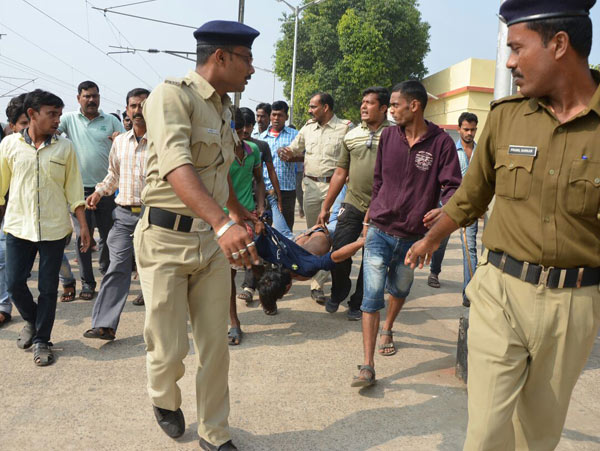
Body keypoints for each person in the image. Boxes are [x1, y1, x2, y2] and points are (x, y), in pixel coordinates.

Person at [406, 1, 600, 449]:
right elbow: (471, 195)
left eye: (516, 48)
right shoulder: (507, 116)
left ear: (559, 44)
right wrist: (429, 240)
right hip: (501, 291)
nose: (509, 61)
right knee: (486, 433)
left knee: (539, 435)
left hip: (573, 305)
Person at [134, 20, 261, 451]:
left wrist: (237, 213)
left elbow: (216, 174)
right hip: (164, 241)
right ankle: (164, 398)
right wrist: (225, 224)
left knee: (215, 347)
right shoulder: (171, 95)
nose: (252, 69)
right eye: (246, 59)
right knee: (168, 349)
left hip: (210, 244)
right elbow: (177, 169)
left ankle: (214, 432)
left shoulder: (223, 108)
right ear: (220, 57)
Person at [352, 80, 461, 387]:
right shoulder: (388, 136)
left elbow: (453, 186)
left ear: (414, 106)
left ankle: (388, 326)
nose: (392, 111)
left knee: (399, 289)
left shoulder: (441, 144)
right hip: (379, 231)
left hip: (414, 238)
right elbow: (377, 181)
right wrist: (371, 214)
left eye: (396, 105)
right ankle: (367, 365)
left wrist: (444, 207)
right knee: (371, 296)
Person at [0, 89, 91, 366]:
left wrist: (83, 226)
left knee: (48, 288)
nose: (57, 120)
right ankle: (32, 319)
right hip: (18, 227)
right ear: (32, 114)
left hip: (53, 229)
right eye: (51, 114)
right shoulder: (10, 146)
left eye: (59, 114)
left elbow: (74, 189)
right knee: (15, 284)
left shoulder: (65, 147)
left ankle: (42, 340)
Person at [82, 88, 150, 341]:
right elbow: (114, 174)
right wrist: (99, 192)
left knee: (157, 271)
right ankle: (104, 325)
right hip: (122, 215)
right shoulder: (120, 142)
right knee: (117, 267)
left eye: (143, 105)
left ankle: (166, 324)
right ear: (127, 110)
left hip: (153, 216)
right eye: (133, 106)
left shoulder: (163, 142)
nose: (138, 110)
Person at [317, 86, 390, 320]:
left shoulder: (395, 136)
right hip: (352, 203)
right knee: (339, 249)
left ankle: (357, 303)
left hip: (382, 209)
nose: (363, 106)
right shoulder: (351, 135)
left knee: (373, 258)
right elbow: (340, 172)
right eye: (363, 102)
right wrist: (326, 206)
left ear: (383, 108)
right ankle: (339, 291)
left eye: (369, 102)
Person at [279, 92, 353, 303]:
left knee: (332, 233)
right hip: (310, 186)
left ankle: (317, 283)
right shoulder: (307, 128)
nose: (310, 110)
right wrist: (285, 151)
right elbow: (294, 148)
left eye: (313, 106)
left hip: (336, 187)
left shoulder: (346, 128)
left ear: (326, 108)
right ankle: (317, 270)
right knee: (315, 236)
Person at [58, 80, 125, 300]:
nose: (91, 100)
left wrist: (118, 138)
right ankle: (87, 282)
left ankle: (106, 272)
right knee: (82, 238)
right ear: (78, 98)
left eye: (95, 96)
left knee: (108, 236)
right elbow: (52, 132)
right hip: (78, 191)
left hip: (106, 190)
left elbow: (125, 141)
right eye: (87, 96)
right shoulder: (69, 119)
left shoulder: (111, 121)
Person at [255, 212, 365, 315]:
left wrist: (361, 242)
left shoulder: (305, 267)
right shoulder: (270, 254)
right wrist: (261, 220)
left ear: (287, 288)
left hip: (326, 231)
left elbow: (336, 256)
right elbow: (266, 217)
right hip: (302, 236)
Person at [227, 108, 265, 346]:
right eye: (237, 128)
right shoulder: (221, 153)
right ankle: (234, 322)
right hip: (223, 220)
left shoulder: (253, 151)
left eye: (245, 127)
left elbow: (259, 180)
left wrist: (260, 207)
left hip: (249, 218)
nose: (242, 132)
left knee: (254, 262)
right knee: (228, 275)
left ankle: (263, 296)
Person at [237, 107, 282, 305]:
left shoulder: (258, 148)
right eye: (241, 127)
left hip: (253, 206)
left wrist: (266, 204)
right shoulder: (222, 148)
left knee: (254, 249)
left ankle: (252, 287)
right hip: (228, 210)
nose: (245, 131)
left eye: (248, 126)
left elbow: (264, 178)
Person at [0, 94, 29, 326]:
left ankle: (67, 280)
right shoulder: (8, 145)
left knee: (58, 260)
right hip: (10, 215)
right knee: (3, 262)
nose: (28, 129)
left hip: (41, 219)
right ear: (12, 126)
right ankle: (3, 306)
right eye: (23, 124)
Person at [259, 100, 299, 230]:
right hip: (266, 190)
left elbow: (307, 156)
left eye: (280, 115)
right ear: (270, 116)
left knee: (286, 228)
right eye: (274, 114)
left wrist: (291, 157)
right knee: (264, 227)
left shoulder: (295, 135)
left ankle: (285, 250)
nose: (276, 118)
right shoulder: (262, 138)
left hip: (286, 189)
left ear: (286, 117)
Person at [455, 112, 479, 306]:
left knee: (469, 247)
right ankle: (435, 271)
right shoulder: (450, 150)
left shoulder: (481, 152)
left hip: (469, 207)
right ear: (459, 129)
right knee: (438, 243)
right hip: (446, 205)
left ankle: (468, 292)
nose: (470, 133)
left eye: (473, 129)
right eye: (466, 129)